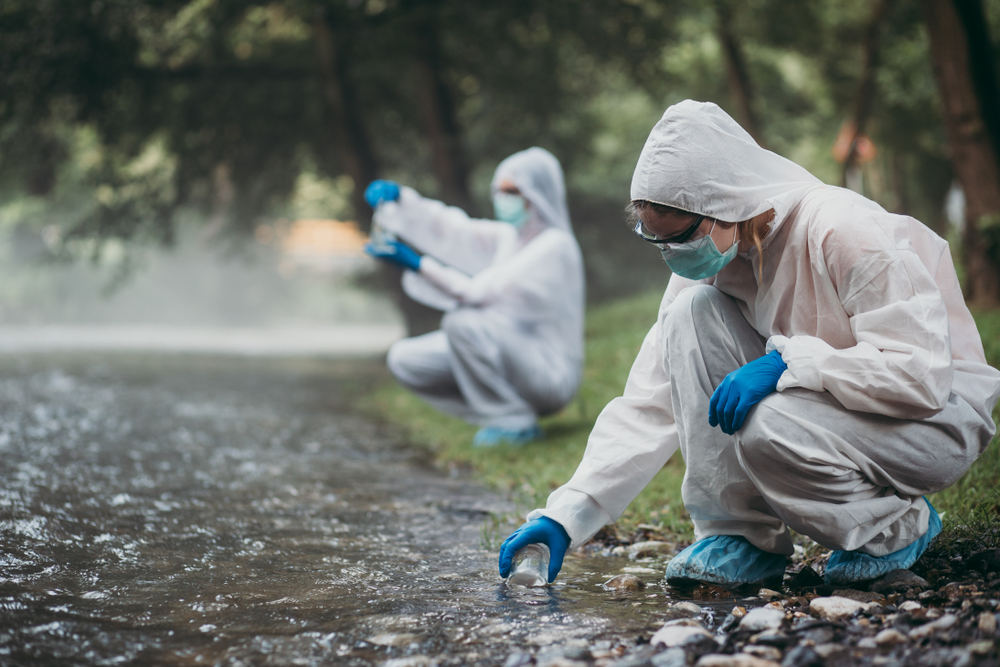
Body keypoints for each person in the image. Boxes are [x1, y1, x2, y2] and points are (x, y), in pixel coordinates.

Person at [498, 100, 1000, 588]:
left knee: (768, 427)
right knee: (688, 316)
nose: (672, 254)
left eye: (682, 237)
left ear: (725, 205)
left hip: (931, 419)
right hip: (829, 407)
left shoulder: (842, 230)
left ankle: (893, 529)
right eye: (656, 240)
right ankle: (741, 536)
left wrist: (788, 363)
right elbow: (650, 400)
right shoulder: (715, 261)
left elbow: (921, 375)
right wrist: (567, 514)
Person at [364, 147, 585, 448]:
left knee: (462, 321)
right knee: (405, 360)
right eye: (497, 190)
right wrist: (402, 200)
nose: (500, 198)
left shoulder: (555, 245)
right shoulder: (512, 238)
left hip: (549, 374)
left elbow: (477, 293)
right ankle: (504, 412)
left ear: (536, 193)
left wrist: (417, 264)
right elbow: (454, 231)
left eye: (510, 190)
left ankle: (511, 420)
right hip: (511, 355)